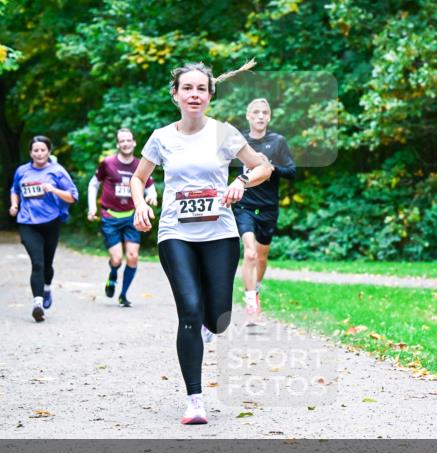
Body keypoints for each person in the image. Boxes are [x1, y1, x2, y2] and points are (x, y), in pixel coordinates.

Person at [131, 61, 272, 425]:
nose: (194, 95)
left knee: (218, 318)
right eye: (187, 88)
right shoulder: (161, 137)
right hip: (175, 233)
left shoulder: (224, 134)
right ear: (175, 94)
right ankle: (195, 400)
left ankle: (212, 326)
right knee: (190, 311)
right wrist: (139, 203)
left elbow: (262, 167)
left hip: (220, 235)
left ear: (210, 95)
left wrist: (242, 182)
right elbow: (138, 178)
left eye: (201, 89)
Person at [233, 98, 296, 321]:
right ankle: (251, 301)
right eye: (256, 112)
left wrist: (270, 167)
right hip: (244, 205)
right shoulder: (239, 141)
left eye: (265, 112)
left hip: (268, 207)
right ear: (248, 116)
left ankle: (255, 287)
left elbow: (291, 171)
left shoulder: (277, 142)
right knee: (249, 252)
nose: (260, 116)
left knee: (261, 256)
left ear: (269, 117)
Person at [9, 136, 78, 322]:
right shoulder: (22, 171)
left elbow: (72, 196)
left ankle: (47, 288)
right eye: (35, 150)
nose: (39, 153)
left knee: (47, 265)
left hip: (51, 222)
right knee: (37, 263)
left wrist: (53, 190)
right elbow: (14, 189)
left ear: (49, 151)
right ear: (30, 152)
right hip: (27, 222)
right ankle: (37, 304)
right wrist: (14, 205)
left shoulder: (57, 171)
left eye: (42, 150)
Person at [87, 128, 158, 307]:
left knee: (133, 256)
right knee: (117, 259)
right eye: (122, 141)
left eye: (129, 140)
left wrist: (153, 196)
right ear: (118, 144)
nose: (125, 143)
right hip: (110, 216)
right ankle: (112, 275)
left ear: (134, 143)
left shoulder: (139, 164)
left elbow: (149, 185)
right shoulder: (108, 163)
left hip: (131, 217)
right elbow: (93, 184)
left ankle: (123, 295)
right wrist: (92, 206)